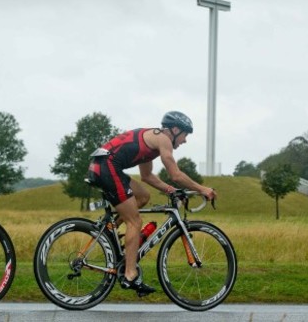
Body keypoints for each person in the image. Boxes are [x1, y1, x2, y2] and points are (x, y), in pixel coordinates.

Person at [87, 110, 216, 296]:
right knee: (135, 222)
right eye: (185, 135)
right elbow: (175, 174)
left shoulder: (152, 141)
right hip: (107, 167)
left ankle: (111, 228)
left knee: (143, 197)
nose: (185, 140)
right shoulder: (163, 139)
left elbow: (147, 177)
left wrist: (171, 191)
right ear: (175, 130)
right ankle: (130, 274)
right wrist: (202, 189)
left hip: (105, 165)